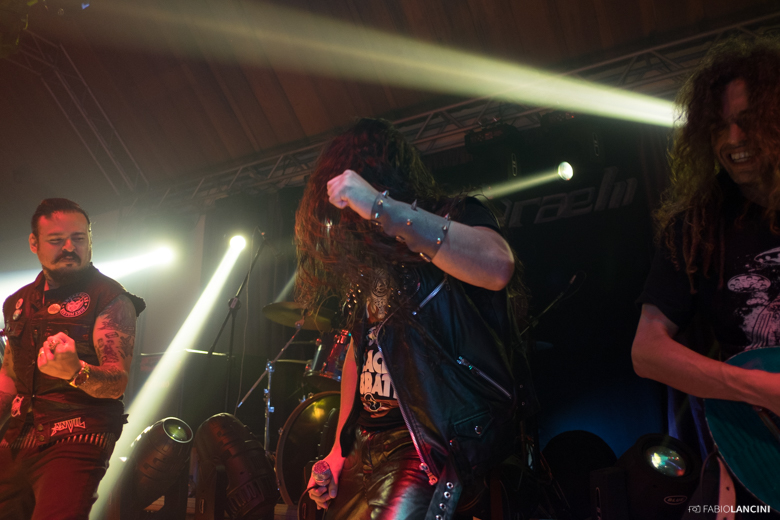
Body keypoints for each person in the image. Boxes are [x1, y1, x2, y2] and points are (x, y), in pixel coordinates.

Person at [295, 118, 537, 520]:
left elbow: (498, 266)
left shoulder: (453, 214)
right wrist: (338, 450)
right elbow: (359, 355)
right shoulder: (370, 259)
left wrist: (379, 206)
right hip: (367, 443)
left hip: (428, 441)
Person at [633, 37, 780, 515]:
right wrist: (759, 388)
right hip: (762, 453)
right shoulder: (696, 227)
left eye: (748, 121)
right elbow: (647, 352)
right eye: (719, 125)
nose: (733, 139)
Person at [0, 198, 145, 520]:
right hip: (18, 434)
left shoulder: (111, 298)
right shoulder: (17, 302)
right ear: (34, 243)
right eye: (56, 240)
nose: (69, 247)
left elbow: (116, 383)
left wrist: (75, 371)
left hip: (77, 432)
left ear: (90, 240)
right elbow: (9, 375)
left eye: (78, 238)